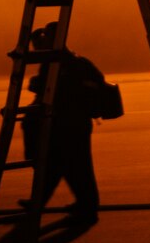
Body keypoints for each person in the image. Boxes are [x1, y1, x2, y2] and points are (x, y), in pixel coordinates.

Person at [23, 22, 105, 225]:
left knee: (72, 167)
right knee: (60, 166)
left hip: (70, 123)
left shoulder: (66, 64)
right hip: (65, 123)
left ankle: (87, 207)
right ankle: (78, 204)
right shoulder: (70, 62)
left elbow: (61, 88)